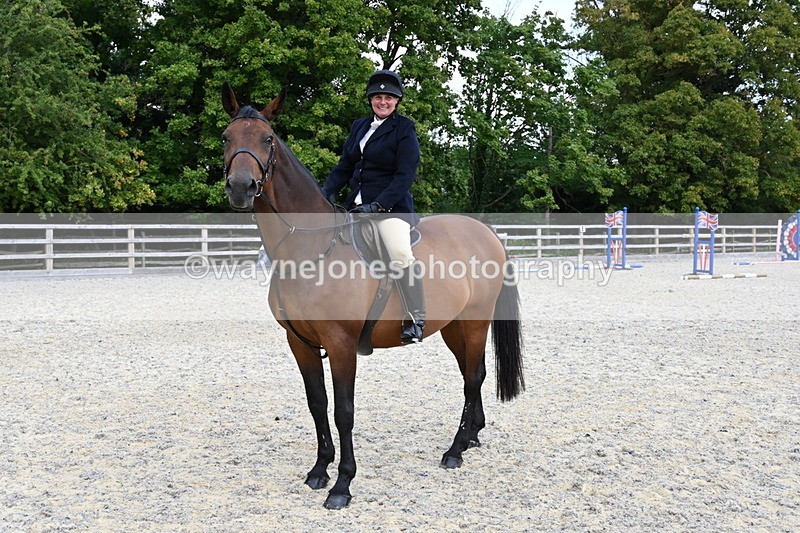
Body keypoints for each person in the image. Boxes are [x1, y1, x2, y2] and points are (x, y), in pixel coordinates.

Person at [322, 69, 425, 344]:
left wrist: (379, 205)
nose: (383, 102)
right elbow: (345, 166)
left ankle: (415, 317)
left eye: (388, 98)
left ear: (397, 101)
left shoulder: (404, 129)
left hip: (390, 209)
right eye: (378, 97)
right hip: (355, 207)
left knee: (400, 252)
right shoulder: (359, 127)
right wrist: (325, 193)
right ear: (371, 100)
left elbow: (405, 175)